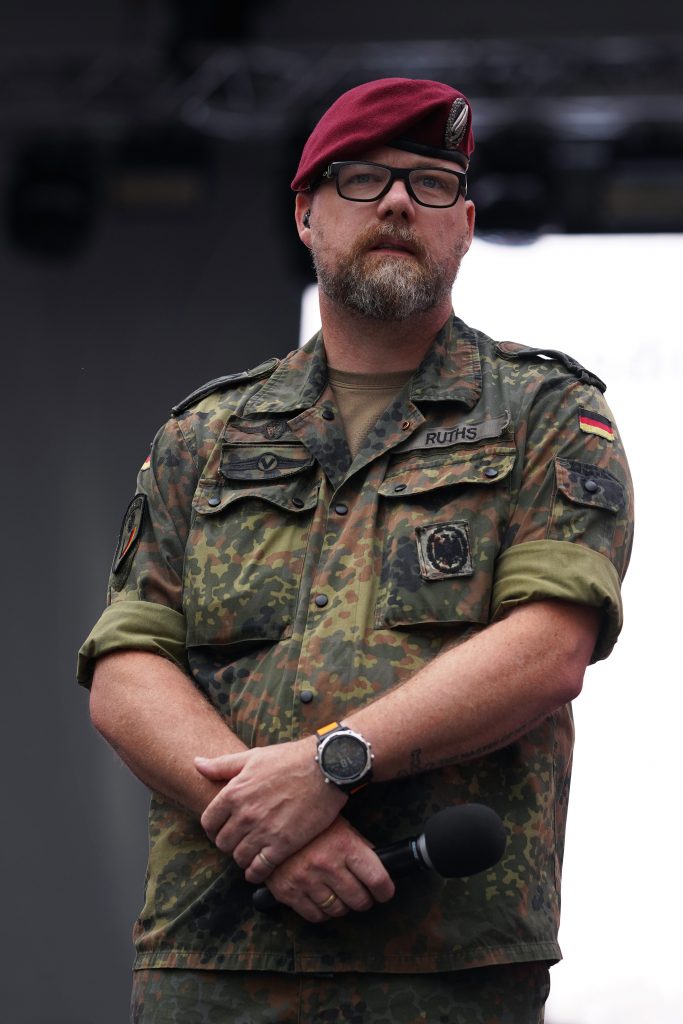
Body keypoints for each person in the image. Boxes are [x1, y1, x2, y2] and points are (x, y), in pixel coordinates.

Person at [78, 78, 634, 1023]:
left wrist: (331, 763)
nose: (393, 203)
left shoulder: (547, 415)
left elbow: (548, 649)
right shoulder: (203, 434)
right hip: (215, 957)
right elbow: (126, 669)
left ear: (461, 226)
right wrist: (270, 831)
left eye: (427, 183)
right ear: (305, 213)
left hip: (443, 962)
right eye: (363, 179)